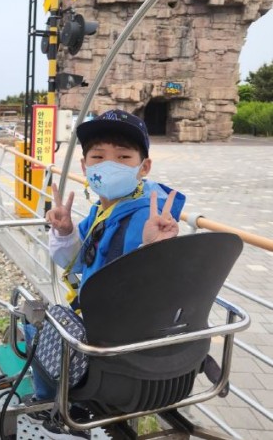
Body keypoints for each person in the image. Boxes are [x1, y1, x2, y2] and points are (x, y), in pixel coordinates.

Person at [27, 109, 185, 439]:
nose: (108, 165)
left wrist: (152, 249)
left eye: (123, 156)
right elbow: (76, 260)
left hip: (112, 344)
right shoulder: (107, 208)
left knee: (36, 325)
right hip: (110, 328)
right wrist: (67, 230)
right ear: (85, 167)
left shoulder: (145, 216)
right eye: (98, 156)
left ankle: (55, 408)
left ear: (144, 167)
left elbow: (148, 284)